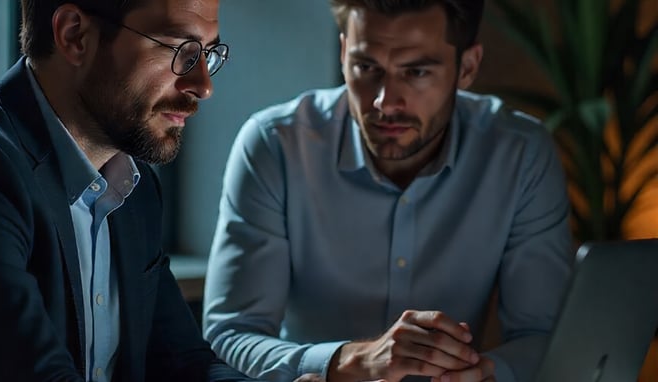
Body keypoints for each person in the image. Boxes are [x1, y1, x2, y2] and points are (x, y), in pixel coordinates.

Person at [203, 1, 574, 381]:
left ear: (467, 67)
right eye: (367, 68)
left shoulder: (519, 153)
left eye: (416, 72)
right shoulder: (275, 146)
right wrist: (351, 361)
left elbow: (543, 335)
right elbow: (229, 336)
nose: (385, 101)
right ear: (344, 53)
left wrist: (488, 374)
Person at [0, 0, 261, 381]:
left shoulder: (133, 184)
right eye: (179, 50)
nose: (203, 85)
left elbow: (183, 364)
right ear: (75, 35)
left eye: (207, 53)